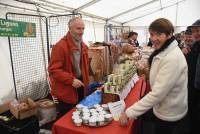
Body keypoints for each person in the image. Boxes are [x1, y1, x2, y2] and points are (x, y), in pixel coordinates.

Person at [119, 18, 188, 134]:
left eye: (159, 34)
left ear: (169, 34)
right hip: (165, 106)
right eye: (151, 34)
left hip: (169, 113)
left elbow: (157, 94)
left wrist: (129, 113)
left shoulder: (172, 58)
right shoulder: (165, 49)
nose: (153, 38)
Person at [48, 17, 89, 117]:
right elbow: (53, 70)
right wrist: (71, 80)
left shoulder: (83, 45)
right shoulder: (60, 47)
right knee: (68, 117)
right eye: (78, 28)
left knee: (80, 114)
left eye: (83, 28)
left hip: (80, 86)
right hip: (66, 90)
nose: (81, 31)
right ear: (70, 29)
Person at [186, 19, 200, 134]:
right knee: (192, 112)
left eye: (198, 30)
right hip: (192, 86)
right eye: (194, 31)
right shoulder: (195, 46)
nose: (196, 33)